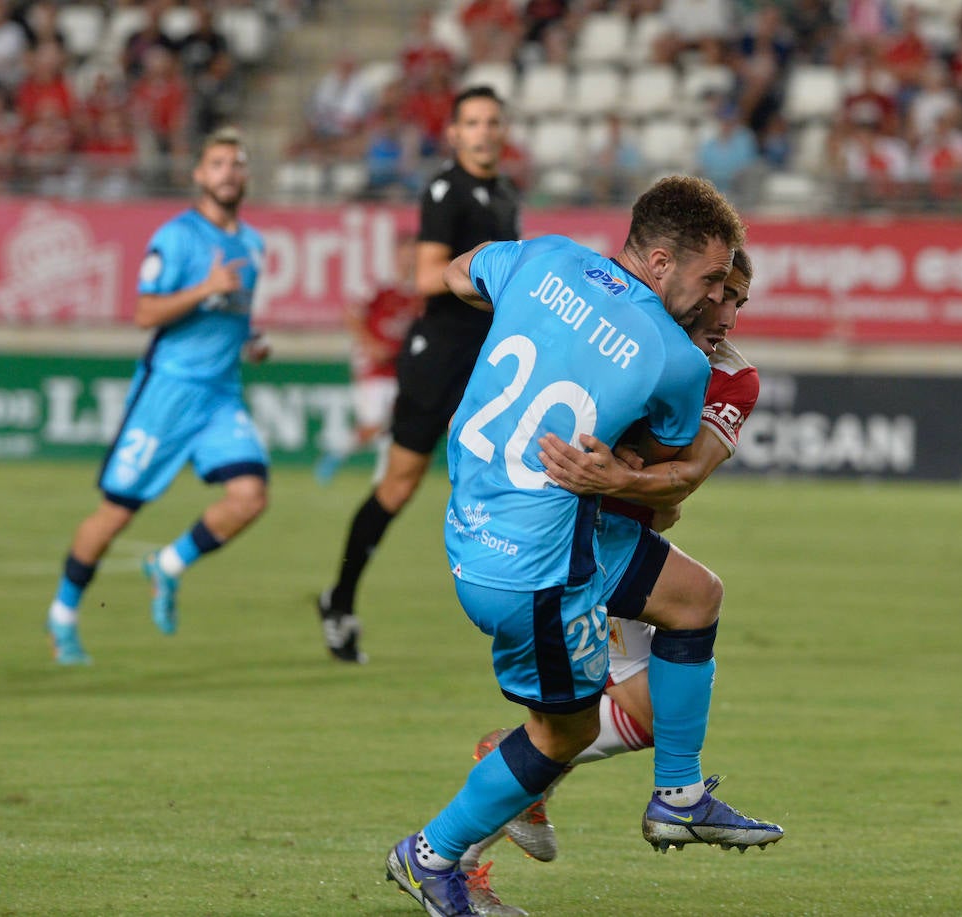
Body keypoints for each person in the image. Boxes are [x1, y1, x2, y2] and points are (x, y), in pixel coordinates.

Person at [383, 178, 782, 916]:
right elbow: (666, 472)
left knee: (696, 599)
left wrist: (534, 316)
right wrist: (618, 471)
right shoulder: (677, 359)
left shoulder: (546, 259)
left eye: (731, 290)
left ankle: (680, 792)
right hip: (537, 566)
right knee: (560, 733)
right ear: (661, 263)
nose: (715, 300)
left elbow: (454, 271)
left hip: (494, 520)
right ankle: (432, 855)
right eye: (709, 282)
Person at [458, 250, 760, 914]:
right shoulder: (619, 335)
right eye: (720, 292)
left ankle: (521, 778)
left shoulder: (732, 380)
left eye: (740, 300)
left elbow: (680, 478)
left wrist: (633, 478)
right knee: (574, 726)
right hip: (570, 547)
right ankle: (462, 851)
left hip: (623, 540)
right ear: (685, 282)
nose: (729, 314)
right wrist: (640, 481)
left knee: (643, 712)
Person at [44, 128, 269, 665]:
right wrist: (203, 289)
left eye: (237, 164)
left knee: (250, 497)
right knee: (116, 513)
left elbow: (234, 318)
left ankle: (167, 565)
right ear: (198, 174)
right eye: (217, 163)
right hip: (167, 393)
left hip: (219, 396)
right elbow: (145, 313)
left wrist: (251, 343)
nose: (229, 173)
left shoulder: (253, 244)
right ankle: (63, 614)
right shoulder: (177, 237)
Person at [316, 85, 519, 664]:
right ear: (454, 134)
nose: (482, 131)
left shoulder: (503, 194)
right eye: (471, 122)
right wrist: (496, 278)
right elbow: (428, 276)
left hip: (488, 355)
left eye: (491, 122)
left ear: (502, 132)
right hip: (440, 356)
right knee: (399, 485)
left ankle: (530, 611)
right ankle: (341, 599)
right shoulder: (445, 189)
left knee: (515, 476)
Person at [314, 233, 423, 485]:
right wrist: (370, 345)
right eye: (406, 253)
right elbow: (351, 314)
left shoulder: (419, 293)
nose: (410, 259)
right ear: (396, 255)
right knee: (373, 426)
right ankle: (336, 452)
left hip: (401, 369)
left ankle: (382, 480)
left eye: (414, 253)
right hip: (374, 368)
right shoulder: (380, 286)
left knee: (394, 427)